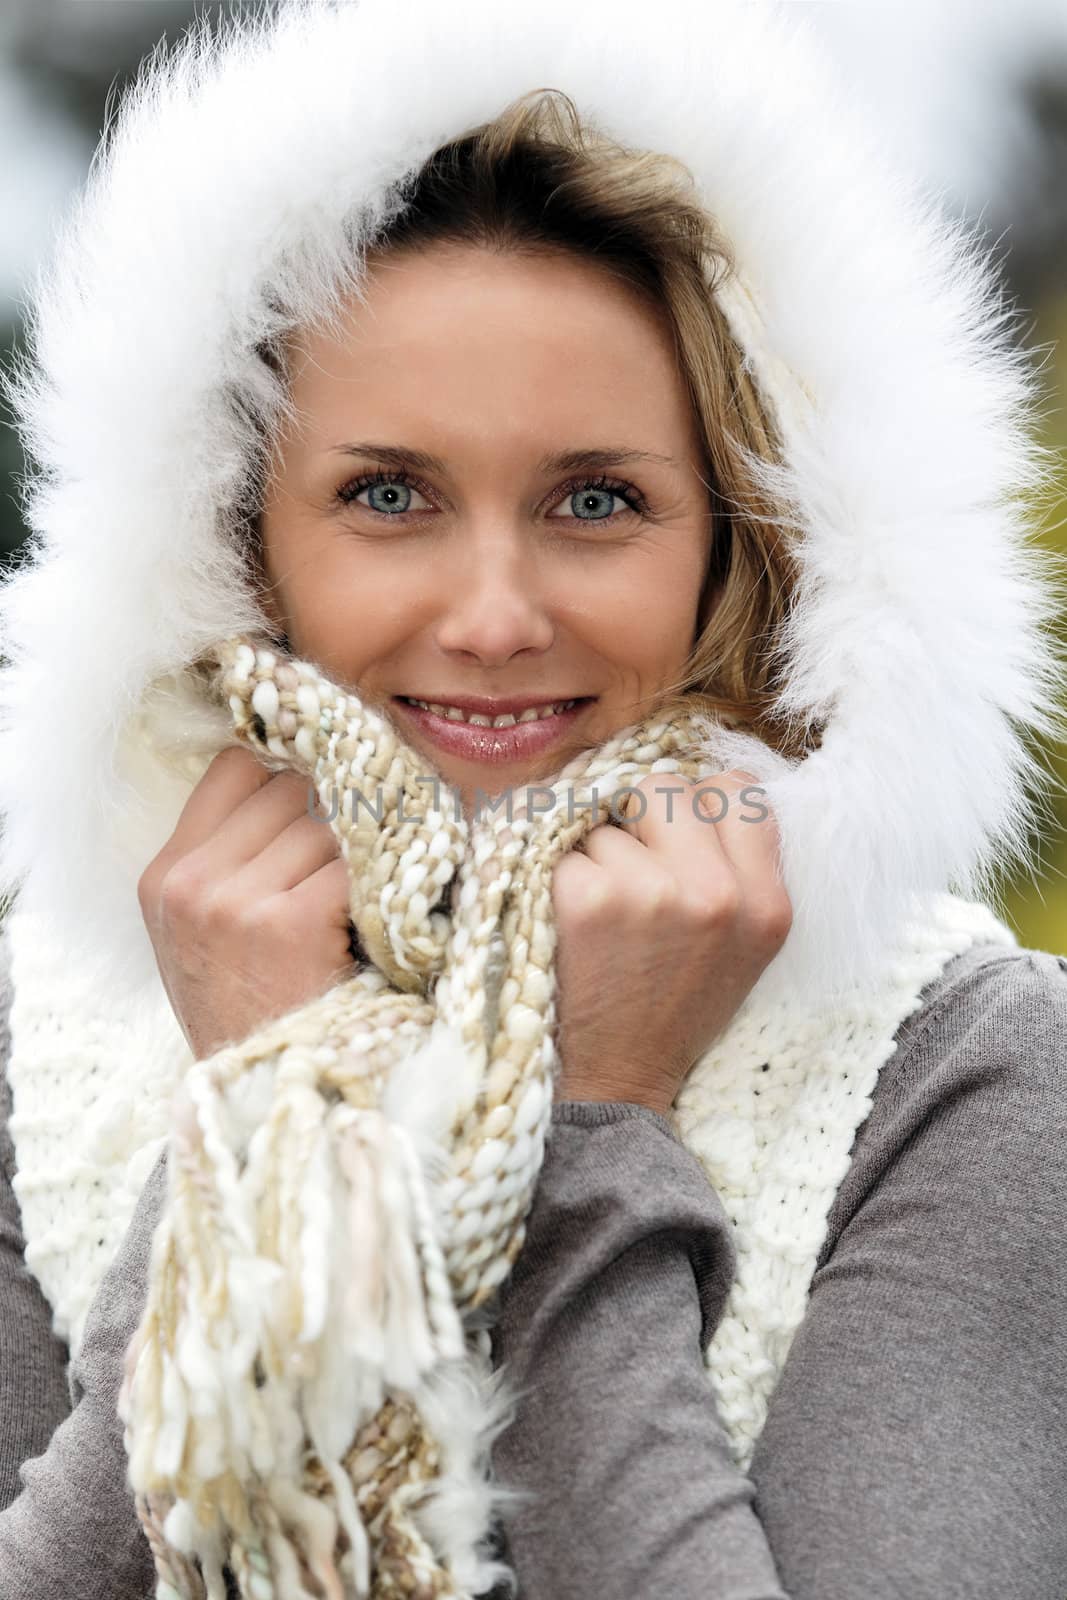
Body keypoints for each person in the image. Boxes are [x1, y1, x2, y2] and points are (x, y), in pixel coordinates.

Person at [0, 1, 1065, 1596]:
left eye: (595, 501)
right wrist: (263, 1111)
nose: (495, 615)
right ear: (235, 537)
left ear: (742, 539)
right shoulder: (42, 1039)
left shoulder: (969, 1067)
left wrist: (597, 1133)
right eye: (386, 495)